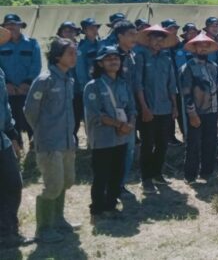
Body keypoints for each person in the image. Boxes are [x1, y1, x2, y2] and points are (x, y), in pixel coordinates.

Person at [24, 38, 79, 243]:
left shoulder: (68, 79)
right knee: (53, 185)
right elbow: (30, 111)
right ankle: (44, 228)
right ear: (58, 56)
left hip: (66, 141)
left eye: (75, 53)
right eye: (70, 53)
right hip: (49, 142)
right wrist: (42, 133)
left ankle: (58, 220)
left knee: (67, 181)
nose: (75, 57)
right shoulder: (44, 80)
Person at [84, 46, 136, 220]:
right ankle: (97, 209)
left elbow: (131, 108)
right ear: (100, 63)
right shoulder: (93, 86)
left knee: (117, 173)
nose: (114, 61)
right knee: (101, 175)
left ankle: (111, 205)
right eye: (108, 58)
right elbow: (95, 114)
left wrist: (129, 125)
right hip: (103, 138)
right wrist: (119, 124)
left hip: (122, 137)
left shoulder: (123, 84)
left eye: (116, 58)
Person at [134, 26, 179, 193]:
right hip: (149, 109)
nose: (158, 43)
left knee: (162, 144)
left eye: (161, 40)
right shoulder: (141, 57)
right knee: (147, 144)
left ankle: (157, 173)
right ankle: (146, 178)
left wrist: (174, 106)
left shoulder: (166, 59)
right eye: (155, 39)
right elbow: (138, 85)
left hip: (165, 108)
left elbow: (171, 84)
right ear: (148, 40)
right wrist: (144, 108)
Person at [0, 25, 31, 247]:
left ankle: (9, 230)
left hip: (2, 138)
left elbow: (4, 106)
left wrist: (12, 132)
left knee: (13, 184)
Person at [180, 32, 218, 183]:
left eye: (206, 46)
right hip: (196, 112)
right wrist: (192, 113)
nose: (203, 48)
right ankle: (190, 175)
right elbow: (186, 93)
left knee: (210, 142)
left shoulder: (214, 67)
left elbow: (217, 87)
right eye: (200, 46)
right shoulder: (188, 67)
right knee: (193, 144)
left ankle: (207, 172)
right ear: (194, 48)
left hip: (212, 110)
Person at [0, 14, 41, 148]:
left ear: (20, 26)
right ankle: (18, 147)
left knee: (31, 119)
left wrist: (27, 83)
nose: (11, 27)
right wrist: (7, 83)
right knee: (12, 120)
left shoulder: (32, 43)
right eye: (7, 24)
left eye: (14, 23)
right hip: (8, 90)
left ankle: (34, 148)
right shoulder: (1, 44)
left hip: (27, 89)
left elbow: (36, 64)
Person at [112, 20, 139, 197]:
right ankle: (114, 186)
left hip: (130, 108)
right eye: (130, 34)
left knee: (128, 148)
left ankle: (120, 184)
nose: (134, 38)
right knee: (116, 149)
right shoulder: (113, 57)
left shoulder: (131, 55)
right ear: (120, 36)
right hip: (116, 109)